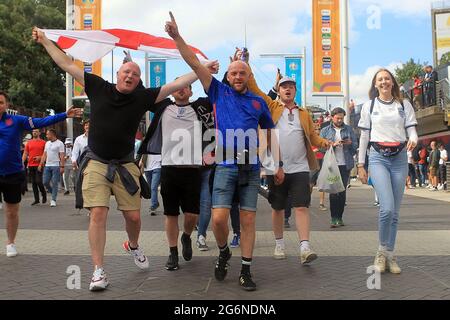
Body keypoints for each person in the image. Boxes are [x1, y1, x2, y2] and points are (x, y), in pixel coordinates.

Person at [33, 27, 214, 291]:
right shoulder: (97, 86)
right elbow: (64, 62)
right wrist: (46, 41)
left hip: (125, 165)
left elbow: (177, 84)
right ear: (117, 75)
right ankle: (98, 271)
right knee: (98, 213)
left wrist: (204, 65)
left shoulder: (143, 97)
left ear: (138, 80)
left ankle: (134, 244)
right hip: (96, 162)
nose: (130, 75)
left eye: (135, 74)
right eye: (126, 72)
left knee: (134, 218)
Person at [166, 13, 280, 291]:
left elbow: (268, 131)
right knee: (218, 219)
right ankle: (224, 252)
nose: (238, 76)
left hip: (250, 168)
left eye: (243, 73)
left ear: (249, 76)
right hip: (226, 166)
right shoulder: (218, 92)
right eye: (234, 73)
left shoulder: (258, 102)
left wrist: (275, 164)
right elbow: (192, 62)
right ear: (227, 76)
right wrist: (177, 37)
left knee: (249, 219)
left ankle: (246, 269)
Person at [247, 67, 330, 262]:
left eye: (291, 86)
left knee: (301, 206)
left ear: (295, 91)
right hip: (274, 166)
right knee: (278, 208)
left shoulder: (304, 113)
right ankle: (279, 244)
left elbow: (312, 136)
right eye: (284, 86)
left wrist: (324, 143)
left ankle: (305, 247)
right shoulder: (271, 106)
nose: (288, 89)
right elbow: (254, 88)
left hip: (300, 166)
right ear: (278, 90)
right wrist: (246, 64)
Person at [138, 78, 217, 271]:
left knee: (192, 214)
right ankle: (173, 253)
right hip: (169, 169)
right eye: (177, 87)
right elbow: (143, 94)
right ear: (172, 91)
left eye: (186, 87)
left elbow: (217, 91)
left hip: (192, 170)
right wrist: (131, 64)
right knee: (171, 214)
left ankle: (186, 236)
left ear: (191, 91)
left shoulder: (200, 106)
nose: (181, 90)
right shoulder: (164, 107)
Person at [0, 90, 82, 257]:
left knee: (12, 211)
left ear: (6, 105)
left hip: (12, 173)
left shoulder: (16, 121)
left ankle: (10, 243)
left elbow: (40, 121)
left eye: (1, 102)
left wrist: (64, 115)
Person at [357, 68, 418, 274]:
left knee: (395, 212)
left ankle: (391, 255)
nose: (384, 82)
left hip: (400, 158)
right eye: (380, 79)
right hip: (378, 158)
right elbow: (364, 137)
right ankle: (381, 252)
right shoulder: (369, 106)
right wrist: (360, 164)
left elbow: (411, 129)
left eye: (387, 79)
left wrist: (414, 138)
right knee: (387, 208)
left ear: (393, 82)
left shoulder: (403, 104)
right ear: (375, 84)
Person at [320, 107, 358, 227]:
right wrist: (333, 145)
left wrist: (350, 144)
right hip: (332, 165)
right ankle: (333, 218)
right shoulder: (325, 130)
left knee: (342, 191)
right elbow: (321, 147)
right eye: (337, 118)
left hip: (345, 164)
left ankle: (339, 217)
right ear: (332, 117)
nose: (340, 120)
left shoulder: (349, 129)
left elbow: (355, 147)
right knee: (333, 191)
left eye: (342, 118)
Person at [39, 129, 65, 207]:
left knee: (54, 183)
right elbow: (44, 154)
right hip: (47, 165)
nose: (46, 136)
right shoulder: (47, 143)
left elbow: (62, 155)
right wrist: (41, 163)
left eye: (47, 134)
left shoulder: (60, 143)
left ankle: (53, 199)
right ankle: (53, 192)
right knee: (45, 182)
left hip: (56, 165)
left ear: (52, 134)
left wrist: (62, 166)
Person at [22, 129, 47, 205]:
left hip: (39, 165)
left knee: (38, 181)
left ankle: (44, 194)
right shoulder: (29, 142)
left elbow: (46, 154)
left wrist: (40, 157)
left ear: (39, 133)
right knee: (33, 183)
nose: (34, 133)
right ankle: (36, 199)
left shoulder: (43, 142)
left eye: (36, 131)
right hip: (30, 165)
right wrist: (22, 162)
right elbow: (25, 153)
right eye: (33, 132)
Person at [71, 119, 89, 190]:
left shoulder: (97, 137)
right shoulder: (79, 139)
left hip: (95, 161)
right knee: (80, 179)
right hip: (83, 162)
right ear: (84, 127)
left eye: (89, 125)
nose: (88, 126)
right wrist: (74, 161)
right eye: (86, 125)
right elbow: (75, 152)